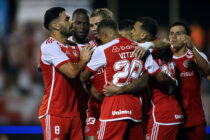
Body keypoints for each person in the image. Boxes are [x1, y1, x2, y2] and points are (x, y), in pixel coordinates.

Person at [80, 19, 166, 140]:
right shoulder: (139, 48)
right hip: (135, 107)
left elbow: (83, 77)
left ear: (104, 34)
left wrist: (83, 61)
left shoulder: (103, 49)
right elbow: (156, 76)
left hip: (113, 106)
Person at [103, 17, 184, 140]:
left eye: (134, 30)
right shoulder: (159, 49)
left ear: (143, 35)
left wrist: (119, 89)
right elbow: (166, 42)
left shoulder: (148, 51)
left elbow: (157, 76)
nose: (131, 33)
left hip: (160, 113)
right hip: (170, 111)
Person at [38, 7, 93, 140]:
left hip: (75, 114)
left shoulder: (73, 46)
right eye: (67, 19)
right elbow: (72, 72)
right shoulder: (49, 46)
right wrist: (83, 60)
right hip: (55, 113)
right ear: (56, 25)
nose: (72, 22)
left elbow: (97, 50)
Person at [169, 22, 209, 140]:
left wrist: (193, 48)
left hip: (195, 119)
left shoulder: (196, 56)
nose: (174, 37)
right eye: (171, 34)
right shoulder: (165, 58)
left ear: (187, 37)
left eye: (178, 33)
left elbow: (207, 72)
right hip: (173, 119)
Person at [84, 8, 116, 140]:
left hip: (115, 107)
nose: (94, 28)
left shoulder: (120, 46)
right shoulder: (88, 49)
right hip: (95, 108)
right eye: (92, 25)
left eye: (97, 24)